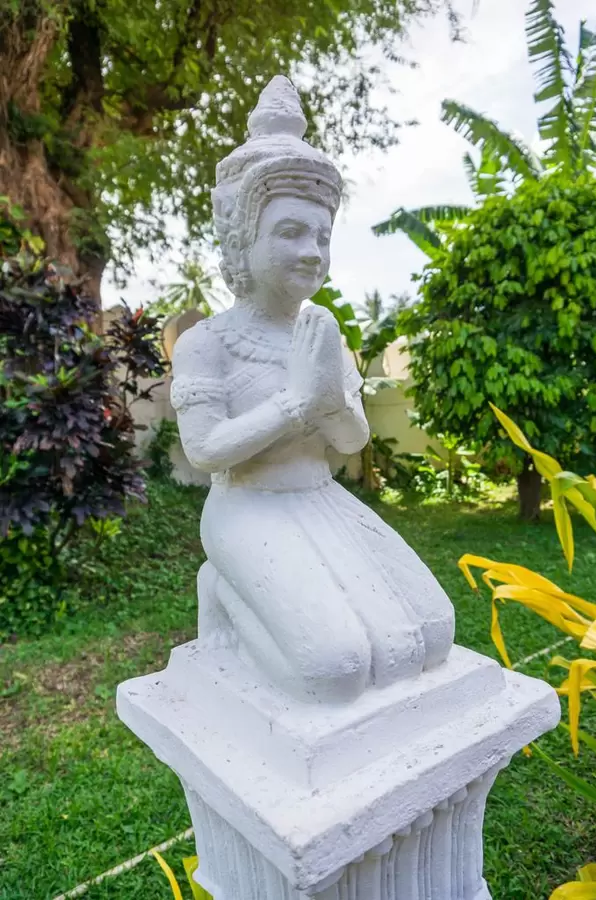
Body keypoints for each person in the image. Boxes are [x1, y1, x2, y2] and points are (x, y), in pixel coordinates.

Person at [171, 76, 454, 703]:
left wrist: (331, 398)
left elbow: (350, 441)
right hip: (248, 507)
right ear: (244, 240)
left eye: (322, 237)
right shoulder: (208, 343)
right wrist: (295, 403)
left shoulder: (321, 333)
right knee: (337, 670)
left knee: (429, 635)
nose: (312, 253)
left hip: (319, 498)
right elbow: (206, 450)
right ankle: (222, 589)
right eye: (291, 233)